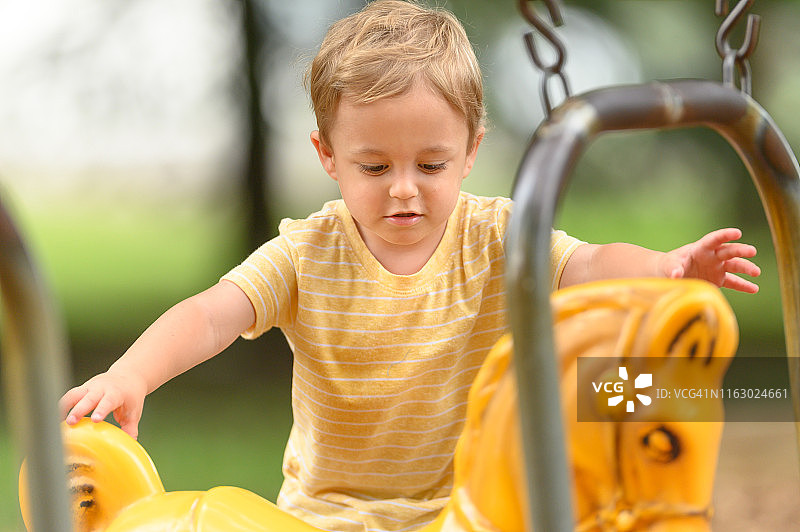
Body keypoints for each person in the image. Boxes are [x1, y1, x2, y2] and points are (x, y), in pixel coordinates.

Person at [60, 1, 761, 531]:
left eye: (431, 164)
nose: (404, 188)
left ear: (471, 150)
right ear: (327, 156)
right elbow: (211, 313)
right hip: (325, 516)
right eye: (374, 165)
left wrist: (666, 271)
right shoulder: (307, 253)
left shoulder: (500, 236)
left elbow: (589, 264)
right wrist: (132, 373)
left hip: (464, 508)